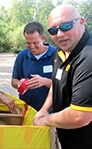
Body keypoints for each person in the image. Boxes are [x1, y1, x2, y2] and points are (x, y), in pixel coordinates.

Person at [34, 4, 92, 149]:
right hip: (67, 138)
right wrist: (44, 109)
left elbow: (80, 116)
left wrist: (46, 120)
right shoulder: (60, 51)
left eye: (66, 26)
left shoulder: (88, 57)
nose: (59, 34)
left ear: (81, 22)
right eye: (53, 30)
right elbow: (56, 83)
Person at [11, 21, 56, 111]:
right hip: (27, 110)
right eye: (28, 43)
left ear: (43, 38)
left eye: (35, 43)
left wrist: (44, 82)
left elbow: (66, 85)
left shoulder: (57, 54)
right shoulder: (22, 56)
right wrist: (19, 84)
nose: (32, 46)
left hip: (51, 111)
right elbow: (13, 81)